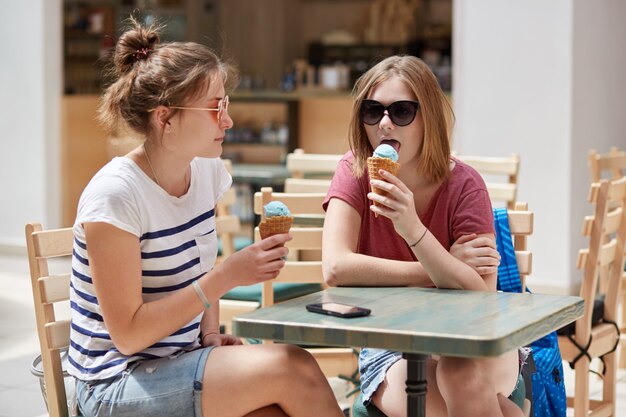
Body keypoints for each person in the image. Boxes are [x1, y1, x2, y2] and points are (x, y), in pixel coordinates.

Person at [67, 18, 345, 417]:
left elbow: (200, 262)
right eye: (216, 107)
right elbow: (128, 335)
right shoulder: (116, 195)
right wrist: (228, 276)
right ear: (165, 119)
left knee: (275, 410)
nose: (228, 121)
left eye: (226, 105)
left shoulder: (206, 173)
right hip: (114, 384)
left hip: (178, 363)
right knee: (291, 366)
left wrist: (210, 334)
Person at [321, 55, 523, 417]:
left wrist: (411, 227)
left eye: (401, 112)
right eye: (373, 111)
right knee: (495, 408)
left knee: (461, 368)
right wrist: (443, 267)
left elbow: (482, 292)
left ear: (427, 116)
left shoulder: (465, 185)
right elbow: (335, 268)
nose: (384, 123)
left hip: (476, 335)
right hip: (390, 345)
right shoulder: (354, 172)